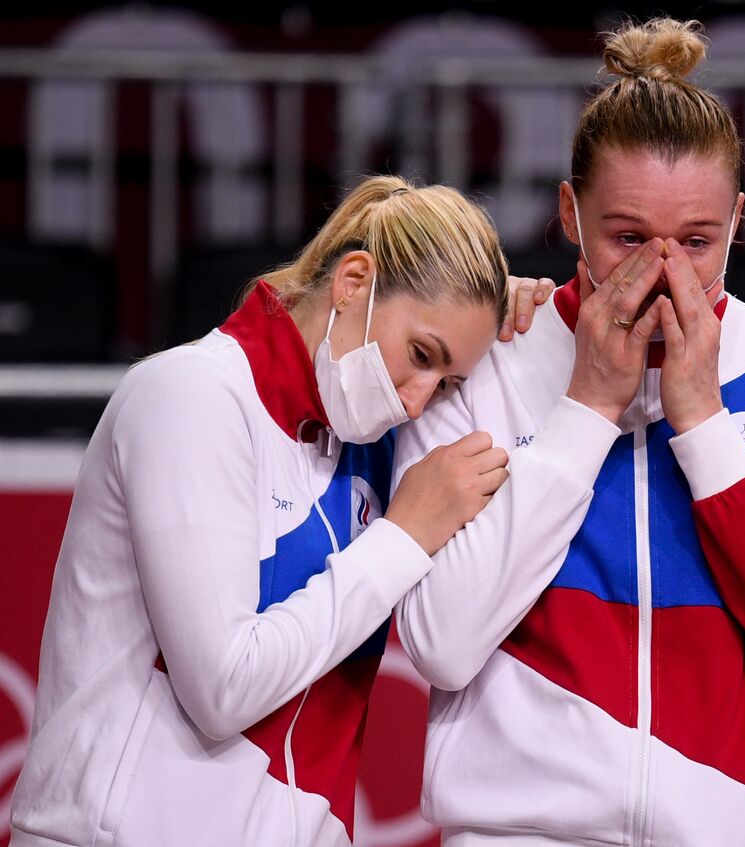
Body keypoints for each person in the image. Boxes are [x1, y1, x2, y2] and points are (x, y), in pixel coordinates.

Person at [392, 16, 745, 847]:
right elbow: (440, 645)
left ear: (739, 220)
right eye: (627, 237)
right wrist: (585, 408)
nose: (662, 274)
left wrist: (705, 427)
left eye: (697, 242)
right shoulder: (488, 358)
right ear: (569, 213)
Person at [9, 176, 520, 847]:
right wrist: (402, 535)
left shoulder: (366, 447)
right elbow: (222, 687)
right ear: (353, 281)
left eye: (448, 380)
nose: (419, 401)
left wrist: (535, 322)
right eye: (421, 355)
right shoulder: (190, 395)